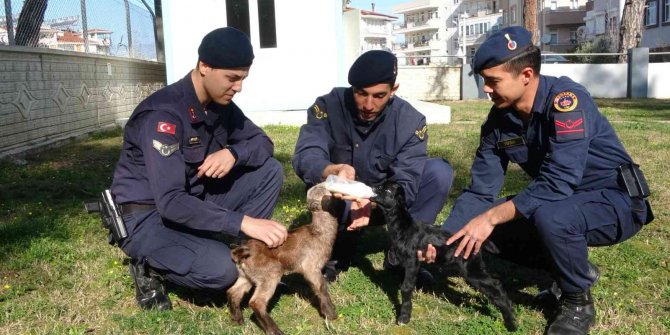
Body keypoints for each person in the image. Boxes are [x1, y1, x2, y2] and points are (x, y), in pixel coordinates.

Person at [419, 27, 653, 334]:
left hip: (616, 201)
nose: (485, 89)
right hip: (565, 202)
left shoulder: (567, 102)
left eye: (493, 81)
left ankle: (577, 302)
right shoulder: (499, 122)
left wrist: (491, 217)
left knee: (547, 215)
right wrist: (447, 237)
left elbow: (559, 181)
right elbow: (481, 189)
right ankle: (570, 268)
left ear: (526, 75)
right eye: (483, 80)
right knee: (482, 228)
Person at [110, 27, 288, 310]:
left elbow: (263, 143)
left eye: (242, 79)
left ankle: (239, 256)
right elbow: (169, 202)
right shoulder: (164, 114)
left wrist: (233, 153)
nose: (238, 87)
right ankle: (149, 267)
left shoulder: (219, 105)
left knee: (269, 171)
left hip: (192, 202)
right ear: (205, 66)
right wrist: (244, 222)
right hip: (147, 217)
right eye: (232, 78)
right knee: (225, 271)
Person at [292, 50, 454, 283]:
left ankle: (401, 256)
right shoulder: (328, 106)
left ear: (393, 90)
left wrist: (372, 201)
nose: (369, 104)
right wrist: (332, 171)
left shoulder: (410, 121)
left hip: (383, 203)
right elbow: (307, 154)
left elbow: (406, 181)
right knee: (330, 190)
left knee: (439, 173)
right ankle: (332, 255)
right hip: (340, 196)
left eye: (379, 95)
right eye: (361, 93)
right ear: (352, 89)